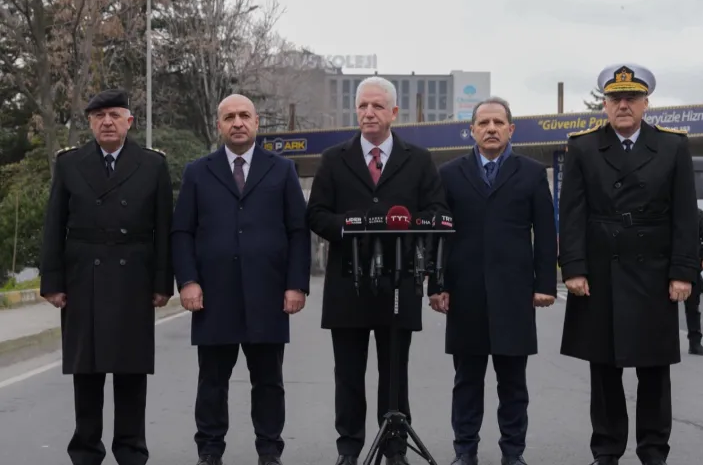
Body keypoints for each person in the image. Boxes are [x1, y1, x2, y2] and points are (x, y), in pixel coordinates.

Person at [557, 64, 699, 465]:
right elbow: (571, 214)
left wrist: (681, 272)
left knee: (654, 370)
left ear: (645, 104)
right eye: (615, 99)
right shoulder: (583, 147)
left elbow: (685, 216)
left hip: (653, 271)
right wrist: (573, 267)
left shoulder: (672, 147)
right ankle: (606, 449)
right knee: (603, 370)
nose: (623, 105)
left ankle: (653, 451)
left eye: (631, 99)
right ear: (604, 104)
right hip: (600, 271)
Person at [305, 76, 448, 465]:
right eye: (363, 106)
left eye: (377, 107)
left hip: (398, 282)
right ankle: (349, 448)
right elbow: (316, 215)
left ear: (394, 112)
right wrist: (355, 224)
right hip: (347, 282)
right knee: (348, 374)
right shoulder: (335, 159)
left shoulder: (417, 159)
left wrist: (406, 225)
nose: (369, 113)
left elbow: (436, 212)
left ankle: (396, 448)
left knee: (394, 371)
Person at [171, 94, 311, 465]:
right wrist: (187, 281)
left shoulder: (282, 170)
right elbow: (182, 231)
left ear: (257, 122)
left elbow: (298, 230)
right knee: (212, 382)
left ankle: (269, 451)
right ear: (219, 125)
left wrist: (296, 284)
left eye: (244, 115)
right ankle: (210, 451)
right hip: (213, 295)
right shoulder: (197, 172)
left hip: (268, 296)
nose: (237, 122)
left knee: (268, 381)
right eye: (229, 116)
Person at [39, 88, 174, 465]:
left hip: (135, 276)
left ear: (130, 120)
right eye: (99, 116)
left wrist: (163, 283)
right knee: (87, 371)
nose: (107, 122)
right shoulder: (70, 164)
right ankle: (86, 450)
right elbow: (55, 225)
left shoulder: (152, 165)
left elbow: (163, 227)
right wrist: (53, 282)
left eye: (115, 114)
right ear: (89, 123)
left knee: (131, 371)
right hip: (84, 277)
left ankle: (131, 449)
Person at [429, 96, 557, 465]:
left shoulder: (531, 173)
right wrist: (436, 285)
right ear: (471, 130)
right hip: (464, 294)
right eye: (483, 123)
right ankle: (464, 452)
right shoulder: (450, 174)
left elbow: (546, 234)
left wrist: (545, 283)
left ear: (510, 129)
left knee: (513, 383)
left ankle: (512, 454)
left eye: (498, 123)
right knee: (466, 381)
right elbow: (439, 235)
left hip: (513, 296)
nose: (490, 129)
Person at [686, 208, 703, 356]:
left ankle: (695, 343)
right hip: (668, 264)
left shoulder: (698, 214)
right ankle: (660, 344)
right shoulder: (668, 211)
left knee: (693, 307)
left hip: (693, 265)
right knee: (662, 308)